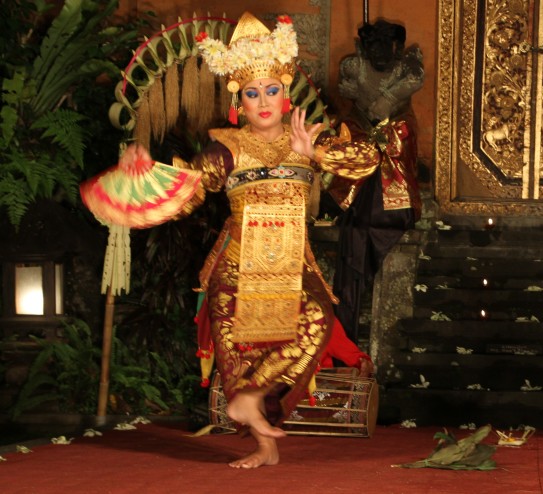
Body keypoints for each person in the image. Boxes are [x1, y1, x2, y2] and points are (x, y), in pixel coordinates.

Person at [119, 12, 391, 468]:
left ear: (285, 93)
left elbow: (367, 160)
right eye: (252, 93)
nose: (262, 101)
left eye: (271, 90)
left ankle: (253, 401)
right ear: (238, 101)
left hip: (292, 261)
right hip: (238, 259)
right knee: (232, 335)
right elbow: (185, 191)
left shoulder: (308, 137)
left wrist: (317, 152)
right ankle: (263, 441)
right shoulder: (224, 148)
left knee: (316, 321)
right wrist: (144, 173)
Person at [328, 19, 423, 345]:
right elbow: (345, 92)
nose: (381, 54)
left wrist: (385, 115)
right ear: (364, 49)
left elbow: (413, 81)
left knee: (396, 135)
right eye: (374, 47)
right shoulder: (354, 67)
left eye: (387, 47)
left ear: (397, 49)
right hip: (361, 141)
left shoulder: (407, 69)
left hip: (393, 146)